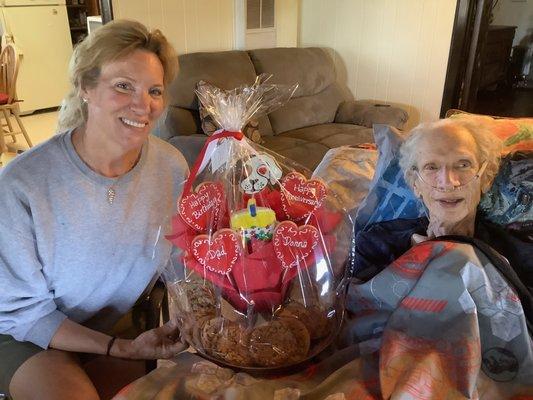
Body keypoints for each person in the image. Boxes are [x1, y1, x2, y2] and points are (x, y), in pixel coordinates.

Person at [0, 20, 189, 399]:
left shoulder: (171, 166)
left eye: (155, 90)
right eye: (123, 86)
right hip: (28, 334)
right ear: (86, 88)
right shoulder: (22, 183)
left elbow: (181, 254)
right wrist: (117, 348)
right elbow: (23, 312)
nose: (143, 104)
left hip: (117, 325)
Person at [351, 117, 533, 295]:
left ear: (486, 179)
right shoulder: (375, 244)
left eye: (463, 164)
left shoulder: (518, 255)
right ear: (415, 184)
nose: (447, 183)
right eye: (431, 167)